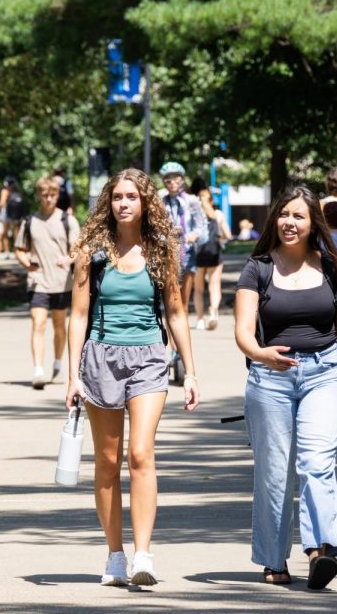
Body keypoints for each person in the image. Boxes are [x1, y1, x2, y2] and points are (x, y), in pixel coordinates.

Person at [65, 169, 200, 587]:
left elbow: (176, 312)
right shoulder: (93, 251)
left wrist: (190, 371)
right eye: (118, 197)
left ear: (145, 204)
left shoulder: (161, 251)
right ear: (109, 202)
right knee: (107, 462)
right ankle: (115, 555)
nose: (124, 203)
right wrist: (72, 376)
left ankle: (144, 555)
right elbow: (79, 315)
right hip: (100, 358)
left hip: (148, 359)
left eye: (132, 197)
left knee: (140, 454)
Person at [233, 185, 337, 590]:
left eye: (298, 216)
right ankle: (274, 559)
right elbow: (242, 332)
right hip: (270, 378)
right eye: (284, 215)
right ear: (275, 220)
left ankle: (320, 550)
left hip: (324, 373)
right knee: (274, 474)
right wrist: (261, 354)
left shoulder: (330, 268)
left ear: (312, 224)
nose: (290, 222)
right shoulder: (258, 268)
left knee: (315, 461)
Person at [15, 177, 80, 390]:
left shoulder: (67, 220)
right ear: (39, 196)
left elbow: (77, 249)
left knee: (59, 326)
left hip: (62, 282)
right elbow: (20, 249)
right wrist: (27, 263)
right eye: (45, 195)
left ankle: (57, 363)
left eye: (52, 195)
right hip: (38, 281)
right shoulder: (30, 221)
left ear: (57, 195)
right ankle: (38, 370)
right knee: (38, 323)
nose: (49, 198)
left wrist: (68, 259)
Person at [157, 163, 208, 327]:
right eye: (168, 179)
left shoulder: (192, 201)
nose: (172, 182)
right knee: (170, 304)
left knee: (183, 304)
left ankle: (180, 348)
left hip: (187, 255)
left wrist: (194, 235)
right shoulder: (158, 200)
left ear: (183, 180)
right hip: (165, 256)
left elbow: (202, 228)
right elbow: (153, 226)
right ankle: (172, 347)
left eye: (176, 178)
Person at [192, 185, 232, 330]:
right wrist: (220, 236)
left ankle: (200, 320)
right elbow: (228, 235)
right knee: (214, 286)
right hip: (214, 254)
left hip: (197, 255)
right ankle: (213, 310)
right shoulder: (218, 214)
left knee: (198, 289)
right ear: (211, 199)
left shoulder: (194, 214)